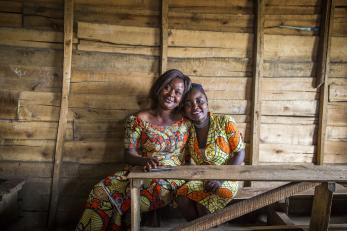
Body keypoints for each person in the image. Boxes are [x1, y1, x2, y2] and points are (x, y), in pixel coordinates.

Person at [76, 69, 192, 231]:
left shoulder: (186, 122)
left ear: (181, 98)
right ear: (159, 88)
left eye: (178, 92)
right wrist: (144, 161)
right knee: (100, 190)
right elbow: (128, 154)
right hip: (140, 170)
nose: (171, 94)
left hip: (169, 178)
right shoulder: (139, 119)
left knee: (141, 193)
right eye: (167, 87)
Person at [176, 83, 245, 221]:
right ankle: (200, 226)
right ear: (184, 108)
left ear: (207, 102)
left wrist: (220, 179)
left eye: (199, 101)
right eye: (189, 104)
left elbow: (240, 153)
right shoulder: (187, 130)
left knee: (204, 206)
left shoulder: (224, 121)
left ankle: (206, 224)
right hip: (203, 178)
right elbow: (185, 160)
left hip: (227, 177)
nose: (195, 106)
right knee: (181, 197)